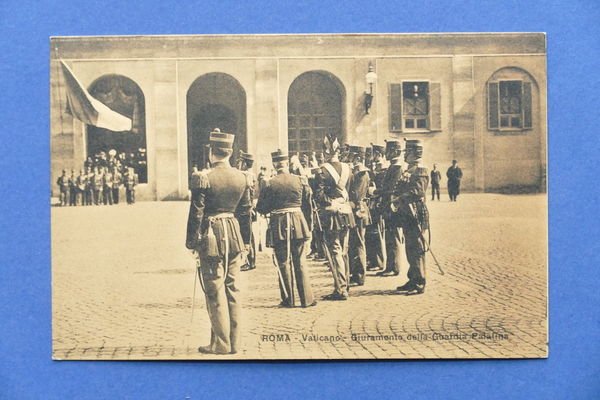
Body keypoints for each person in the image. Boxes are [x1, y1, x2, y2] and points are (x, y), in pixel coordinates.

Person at [185, 128, 252, 355]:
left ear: (212, 153)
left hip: (212, 235)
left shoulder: (203, 177)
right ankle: (235, 343)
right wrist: (247, 243)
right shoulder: (242, 177)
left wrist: (192, 243)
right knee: (233, 289)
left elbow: (197, 212)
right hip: (234, 235)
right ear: (230, 152)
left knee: (213, 289)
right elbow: (245, 213)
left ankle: (221, 344)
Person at [256, 149, 316, 308]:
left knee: (283, 262)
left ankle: (288, 300)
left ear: (275, 164)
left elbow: (261, 208)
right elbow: (308, 206)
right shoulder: (301, 180)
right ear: (287, 163)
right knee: (300, 261)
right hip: (298, 223)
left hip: (279, 224)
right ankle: (306, 300)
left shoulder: (269, 183)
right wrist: (308, 228)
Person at [314, 135, 355, 300]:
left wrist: (331, 203)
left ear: (325, 152)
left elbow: (319, 195)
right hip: (346, 213)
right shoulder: (348, 168)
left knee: (335, 250)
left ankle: (340, 289)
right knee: (344, 250)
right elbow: (351, 193)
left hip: (331, 215)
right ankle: (346, 284)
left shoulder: (322, 171)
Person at [393, 139, 430, 295]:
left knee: (417, 247)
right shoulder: (410, 169)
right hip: (407, 212)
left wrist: (399, 198)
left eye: (407, 152)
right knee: (410, 246)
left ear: (415, 153)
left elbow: (418, 192)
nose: (405, 155)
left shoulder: (420, 170)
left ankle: (419, 282)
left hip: (416, 212)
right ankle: (412, 278)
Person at [376, 140, 404, 277]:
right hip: (388, 207)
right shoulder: (392, 167)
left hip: (393, 208)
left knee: (393, 237)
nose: (386, 154)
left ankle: (394, 267)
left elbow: (392, 189)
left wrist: (377, 192)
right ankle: (390, 265)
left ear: (396, 152)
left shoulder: (397, 168)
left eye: (389, 151)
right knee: (389, 237)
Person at [347, 145, 372, 286]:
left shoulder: (362, 174)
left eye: (351, 155)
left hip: (359, 210)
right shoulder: (356, 172)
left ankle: (360, 275)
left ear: (357, 157)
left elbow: (356, 194)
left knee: (358, 243)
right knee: (354, 242)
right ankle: (355, 273)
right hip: (355, 209)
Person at [366, 144, 387, 271]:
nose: (372, 157)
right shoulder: (375, 169)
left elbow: (382, 189)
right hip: (372, 204)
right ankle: (373, 260)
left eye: (374, 154)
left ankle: (378, 261)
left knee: (376, 233)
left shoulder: (383, 170)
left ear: (379, 154)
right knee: (371, 233)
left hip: (377, 204)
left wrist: (374, 191)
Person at [236, 150, 257, 271]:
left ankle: (250, 261)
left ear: (244, 163)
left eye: (240, 162)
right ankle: (250, 260)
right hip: (247, 210)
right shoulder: (249, 174)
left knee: (247, 237)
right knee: (249, 236)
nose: (239, 164)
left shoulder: (246, 175)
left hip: (244, 211)